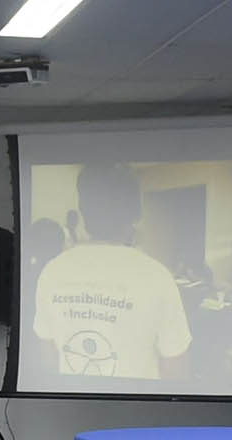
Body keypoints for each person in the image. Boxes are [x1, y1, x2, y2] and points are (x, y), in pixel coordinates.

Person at [31, 162, 193, 380]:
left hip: (72, 399)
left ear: (83, 210)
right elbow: (176, 369)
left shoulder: (52, 271)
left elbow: (47, 359)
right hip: (136, 400)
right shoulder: (157, 276)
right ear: (136, 213)